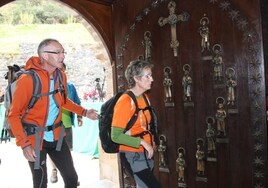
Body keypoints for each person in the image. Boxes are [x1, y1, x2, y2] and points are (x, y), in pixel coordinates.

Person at [8, 38, 99, 188]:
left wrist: (84, 112)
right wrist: (24, 145)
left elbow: (63, 101)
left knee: (71, 179)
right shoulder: (27, 80)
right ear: (44, 55)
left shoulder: (60, 75)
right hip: (35, 139)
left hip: (57, 136)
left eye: (63, 52)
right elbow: (13, 115)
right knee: (40, 183)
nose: (62, 56)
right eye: (57, 52)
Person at [111, 60, 161, 188]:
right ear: (136, 79)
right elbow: (115, 136)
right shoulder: (125, 101)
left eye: (151, 75)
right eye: (147, 76)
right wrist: (143, 143)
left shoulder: (144, 97)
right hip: (131, 154)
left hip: (145, 153)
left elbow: (145, 126)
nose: (152, 79)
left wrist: (151, 143)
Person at [49, 62, 83, 184]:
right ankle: (54, 170)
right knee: (54, 151)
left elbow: (76, 102)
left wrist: (80, 116)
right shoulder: (48, 86)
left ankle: (70, 177)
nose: (59, 72)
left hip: (66, 124)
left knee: (66, 152)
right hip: (54, 126)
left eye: (62, 70)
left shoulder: (70, 86)